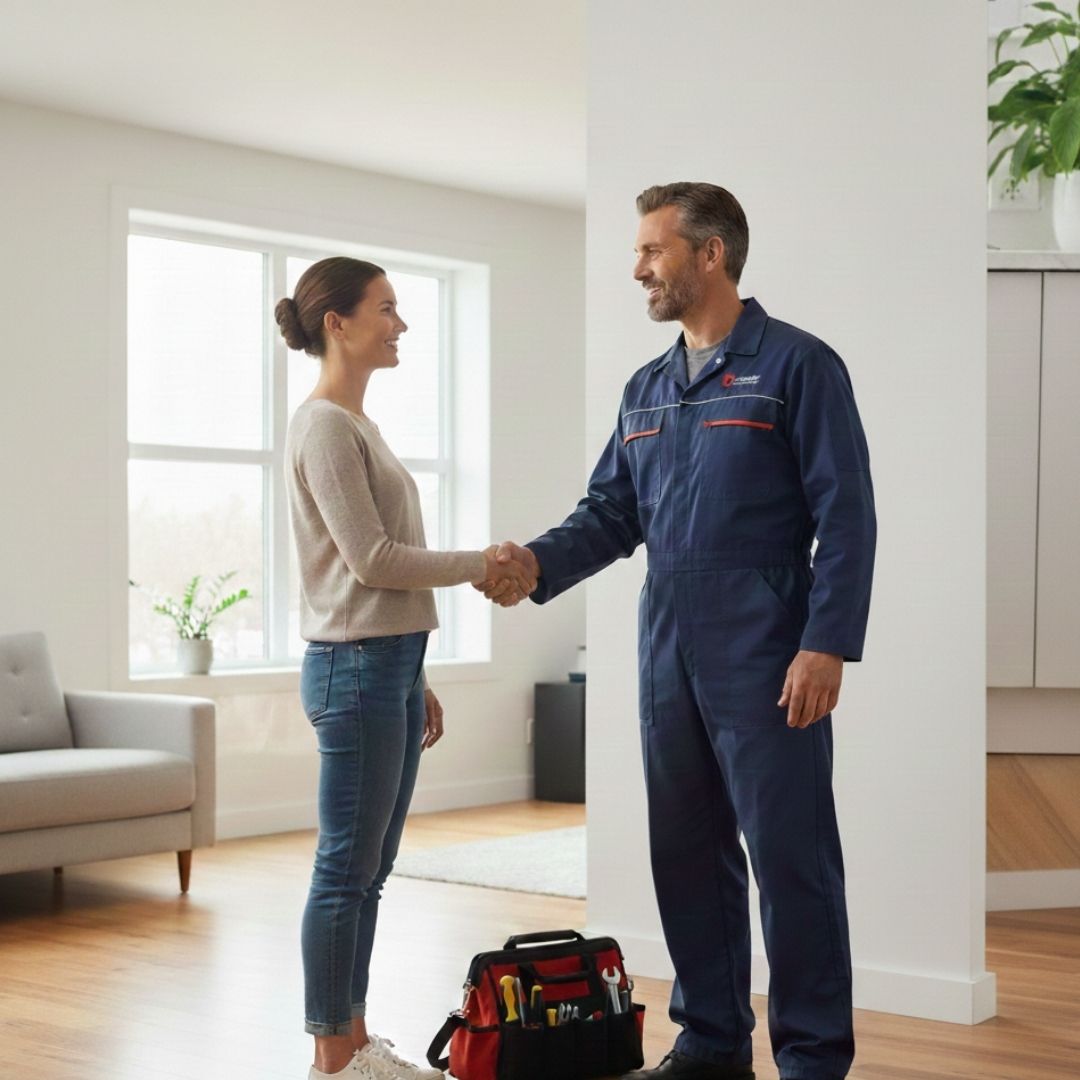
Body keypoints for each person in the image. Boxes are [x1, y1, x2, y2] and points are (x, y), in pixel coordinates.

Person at [479, 183, 876, 1080]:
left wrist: (825, 642)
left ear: (711, 255)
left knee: (792, 857)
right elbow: (610, 513)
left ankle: (812, 1057)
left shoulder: (799, 367)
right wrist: (536, 564)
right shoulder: (648, 387)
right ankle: (710, 1040)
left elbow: (846, 516)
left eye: (653, 250)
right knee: (687, 849)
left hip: (770, 641)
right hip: (668, 641)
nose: (637, 267)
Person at [278, 256, 536, 1080]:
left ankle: (354, 1036)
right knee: (343, 868)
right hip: (353, 671)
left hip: (384, 665)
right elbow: (372, 559)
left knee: (370, 873)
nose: (401, 326)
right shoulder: (322, 424)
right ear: (337, 323)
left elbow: (373, 579)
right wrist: (482, 561)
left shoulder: (359, 426)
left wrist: (416, 671)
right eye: (386, 310)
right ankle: (331, 1054)